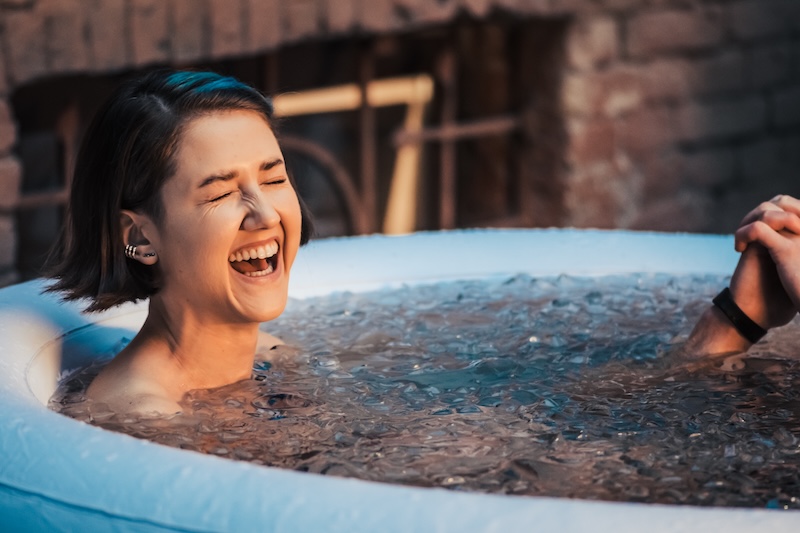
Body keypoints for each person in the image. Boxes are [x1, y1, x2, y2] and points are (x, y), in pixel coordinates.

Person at [47, 69, 313, 415]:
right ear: (139, 235)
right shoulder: (143, 414)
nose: (266, 216)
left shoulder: (276, 356)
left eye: (274, 179)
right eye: (221, 194)